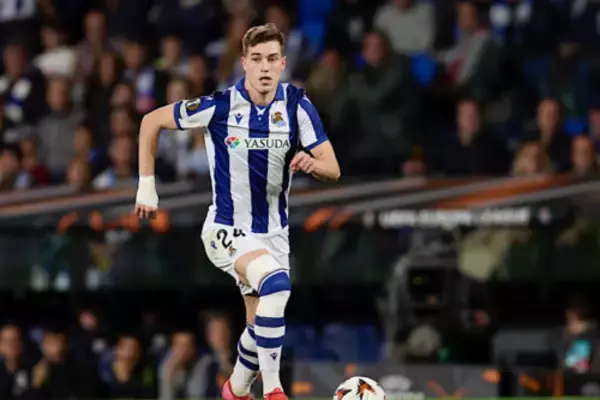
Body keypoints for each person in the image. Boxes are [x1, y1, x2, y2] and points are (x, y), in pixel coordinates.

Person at [134, 22, 340, 400]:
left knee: (258, 327)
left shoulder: (298, 106)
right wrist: (147, 186)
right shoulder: (219, 106)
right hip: (226, 229)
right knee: (276, 286)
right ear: (244, 63)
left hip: (274, 234)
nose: (265, 67)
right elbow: (150, 122)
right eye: (256, 59)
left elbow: (333, 168)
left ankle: (236, 389)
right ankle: (274, 390)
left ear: (283, 64)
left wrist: (313, 164)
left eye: (272, 59)